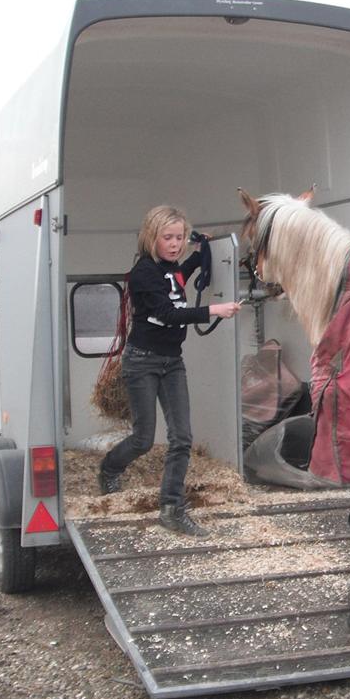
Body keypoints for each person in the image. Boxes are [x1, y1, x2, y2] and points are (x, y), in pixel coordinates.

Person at [98, 205, 241, 537]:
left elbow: (180, 276)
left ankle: (171, 509)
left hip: (172, 362)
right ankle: (109, 467)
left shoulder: (171, 269)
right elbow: (167, 313)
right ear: (152, 237)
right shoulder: (144, 274)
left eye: (179, 238)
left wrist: (201, 250)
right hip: (142, 361)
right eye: (168, 238)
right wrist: (213, 310)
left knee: (181, 438)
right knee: (144, 439)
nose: (175, 244)